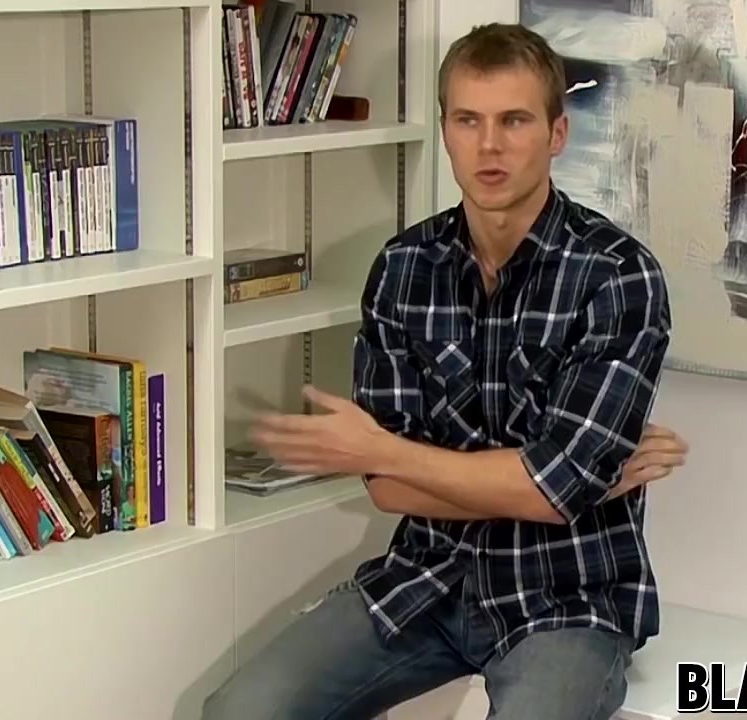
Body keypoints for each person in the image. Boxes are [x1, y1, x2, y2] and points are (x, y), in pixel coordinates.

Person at [202, 21, 687, 720]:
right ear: (446, 130)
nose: (489, 146)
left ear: (556, 133)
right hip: (424, 580)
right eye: (468, 120)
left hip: (567, 599)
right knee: (239, 711)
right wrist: (570, 480)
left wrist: (386, 450)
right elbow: (392, 491)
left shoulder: (618, 277)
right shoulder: (403, 268)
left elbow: (547, 494)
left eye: (513, 121)